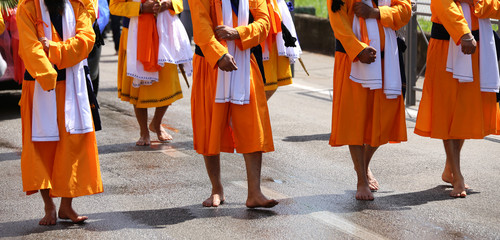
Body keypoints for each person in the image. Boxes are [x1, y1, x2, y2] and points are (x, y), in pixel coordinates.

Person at [16, 0, 103, 225]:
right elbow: (29, 46)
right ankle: (49, 207)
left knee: (72, 146)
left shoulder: (77, 5)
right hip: (39, 86)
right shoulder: (27, 7)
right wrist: (48, 75)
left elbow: (86, 39)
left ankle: (66, 206)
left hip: (72, 85)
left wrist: (53, 49)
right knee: (42, 148)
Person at [189, 0, 278, 208]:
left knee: (252, 125)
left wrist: (238, 33)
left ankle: (254, 193)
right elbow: (201, 26)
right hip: (210, 62)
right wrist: (219, 54)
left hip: (245, 60)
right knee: (210, 126)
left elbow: (265, 22)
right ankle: (216, 189)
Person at [414, 0, 500, 197]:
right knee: (448, 109)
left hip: (478, 47)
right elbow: (443, 5)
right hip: (447, 45)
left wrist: (477, 1)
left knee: (463, 111)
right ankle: (458, 176)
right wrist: (464, 33)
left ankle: (449, 168)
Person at [327, 0, 411, 200]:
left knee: (387, 117)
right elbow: (338, 21)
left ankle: (363, 165)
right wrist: (357, 49)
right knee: (355, 120)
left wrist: (376, 13)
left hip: (388, 59)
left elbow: (405, 11)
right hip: (352, 59)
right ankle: (361, 180)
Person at [110, 0, 189, 146]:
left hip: (164, 33)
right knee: (139, 87)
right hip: (135, 34)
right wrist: (140, 7)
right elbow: (114, 6)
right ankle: (143, 131)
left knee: (168, 83)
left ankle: (156, 123)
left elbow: (179, 2)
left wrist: (169, 4)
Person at [261, 0, 300, 100]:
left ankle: (256, 113)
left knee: (271, 85)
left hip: (275, 14)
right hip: (260, 15)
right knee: (264, 84)